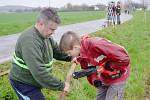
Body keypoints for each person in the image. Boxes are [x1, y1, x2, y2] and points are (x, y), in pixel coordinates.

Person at [9, 8, 72, 100]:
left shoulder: (46, 36)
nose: (53, 33)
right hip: (23, 83)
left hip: (34, 81)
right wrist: (61, 85)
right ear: (41, 23)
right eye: (51, 29)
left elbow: (57, 51)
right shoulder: (30, 41)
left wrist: (71, 57)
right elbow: (39, 72)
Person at [59, 31, 130, 100]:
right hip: (105, 77)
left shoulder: (96, 44)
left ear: (75, 47)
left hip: (119, 75)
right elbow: (90, 71)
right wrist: (95, 80)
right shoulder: (81, 57)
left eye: (69, 53)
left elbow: (124, 58)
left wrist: (108, 66)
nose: (69, 55)